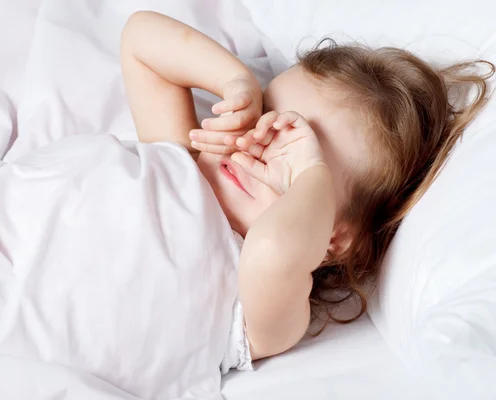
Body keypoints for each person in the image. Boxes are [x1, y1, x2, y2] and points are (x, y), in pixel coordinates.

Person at [120, 11, 494, 370]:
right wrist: (237, 83)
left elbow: (275, 249)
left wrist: (308, 173)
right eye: (265, 113)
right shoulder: (176, 157)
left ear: (333, 237)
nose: (255, 142)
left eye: (295, 151)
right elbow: (140, 39)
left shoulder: (251, 301)